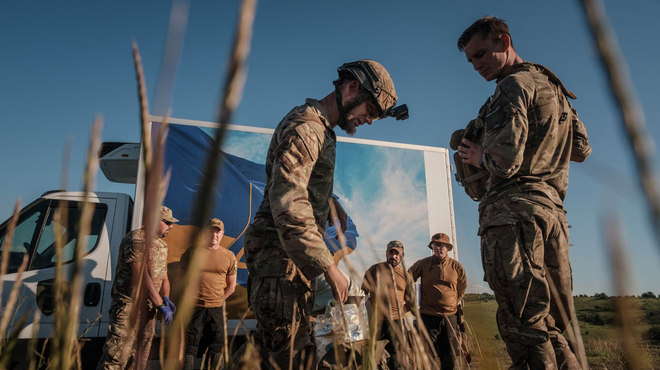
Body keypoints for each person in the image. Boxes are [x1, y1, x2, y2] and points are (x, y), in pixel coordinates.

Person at [242, 59, 406, 369]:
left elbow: (297, 182)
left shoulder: (321, 130)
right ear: (351, 88)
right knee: (292, 357)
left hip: (285, 264)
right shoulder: (308, 129)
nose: (368, 120)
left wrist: (328, 200)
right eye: (369, 110)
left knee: (264, 353)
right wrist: (327, 266)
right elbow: (289, 202)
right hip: (281, 263)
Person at [456, 16, 591, 369]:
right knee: (557, 320)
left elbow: (503, 163)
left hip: (512, 215)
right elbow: (581, 148)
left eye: (482, 53)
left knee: (525, 322)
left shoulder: (512, 85)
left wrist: (479, 156)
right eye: (471, 60)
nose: (477, 65)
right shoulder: (552, 87)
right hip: (552, 215)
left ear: (504, 41)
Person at [96, 206, 178, 370]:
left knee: (138, 361)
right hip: (129, 308)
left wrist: (166, 298)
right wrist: (160, 304)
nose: (171, 226)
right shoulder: (136, 238)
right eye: (167, 222)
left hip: (149, 310)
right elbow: (140, 275)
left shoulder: (162, 245)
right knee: (116, 358)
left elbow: (164, 277)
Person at [178, 218, 237, 370]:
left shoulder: (229, 256)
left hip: (216, 309)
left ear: (222, 234)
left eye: (217, 231)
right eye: (211, 230)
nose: (214, 234)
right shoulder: (192, 253)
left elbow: (231, 286)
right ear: (205, 232)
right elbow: (180, 279)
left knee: (217, 348)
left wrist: (219, 299)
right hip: (194, 309)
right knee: (190, 347)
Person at [409, 233, 467, 370]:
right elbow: (407, 277)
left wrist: (451, 302)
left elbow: (462, 288)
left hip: (450, 317)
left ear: (447, 248)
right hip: (428, 317)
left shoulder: (457, 267)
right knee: (426, 357)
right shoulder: (423, 264)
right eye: (436, 245)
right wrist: (410, 299)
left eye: (442, 245)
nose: (439, 248)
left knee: (449, 356)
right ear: (432, 247)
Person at [362, 240, 412, 370]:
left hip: (397, 322)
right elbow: (362, 294)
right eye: (391, 252)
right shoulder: (374, 269)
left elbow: (410, 301)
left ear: (402, 256)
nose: (394, 256)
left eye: (397, 254)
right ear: (386, 253)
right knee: (374, 354)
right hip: (376, 321)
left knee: (396, 354)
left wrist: (399, 313)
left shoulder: (406, 276)